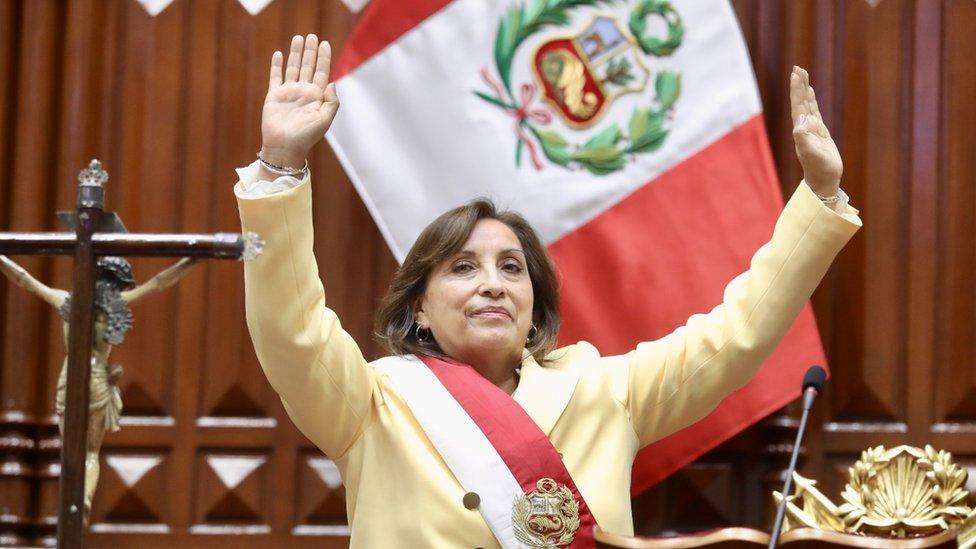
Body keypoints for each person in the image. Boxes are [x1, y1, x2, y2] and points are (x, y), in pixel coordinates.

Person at [236, 34, 860, 548]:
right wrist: (280, 165)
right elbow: (293, 327)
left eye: (513, 268)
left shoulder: (604, 391)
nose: (493, 284)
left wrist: (819, 198)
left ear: (534, 302)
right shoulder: (369, 401)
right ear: (418, 306)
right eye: (462, 268)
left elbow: (737, 334)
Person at [0, 254, 197, 523]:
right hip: (95, 377)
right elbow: (159, 282)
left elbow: (24, 278)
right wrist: (192, 260)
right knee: (90, 452)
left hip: (69, 376)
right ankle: (83, 499)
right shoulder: (116, 304)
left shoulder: (65, 300)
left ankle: (71, 501)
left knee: (70, 449)